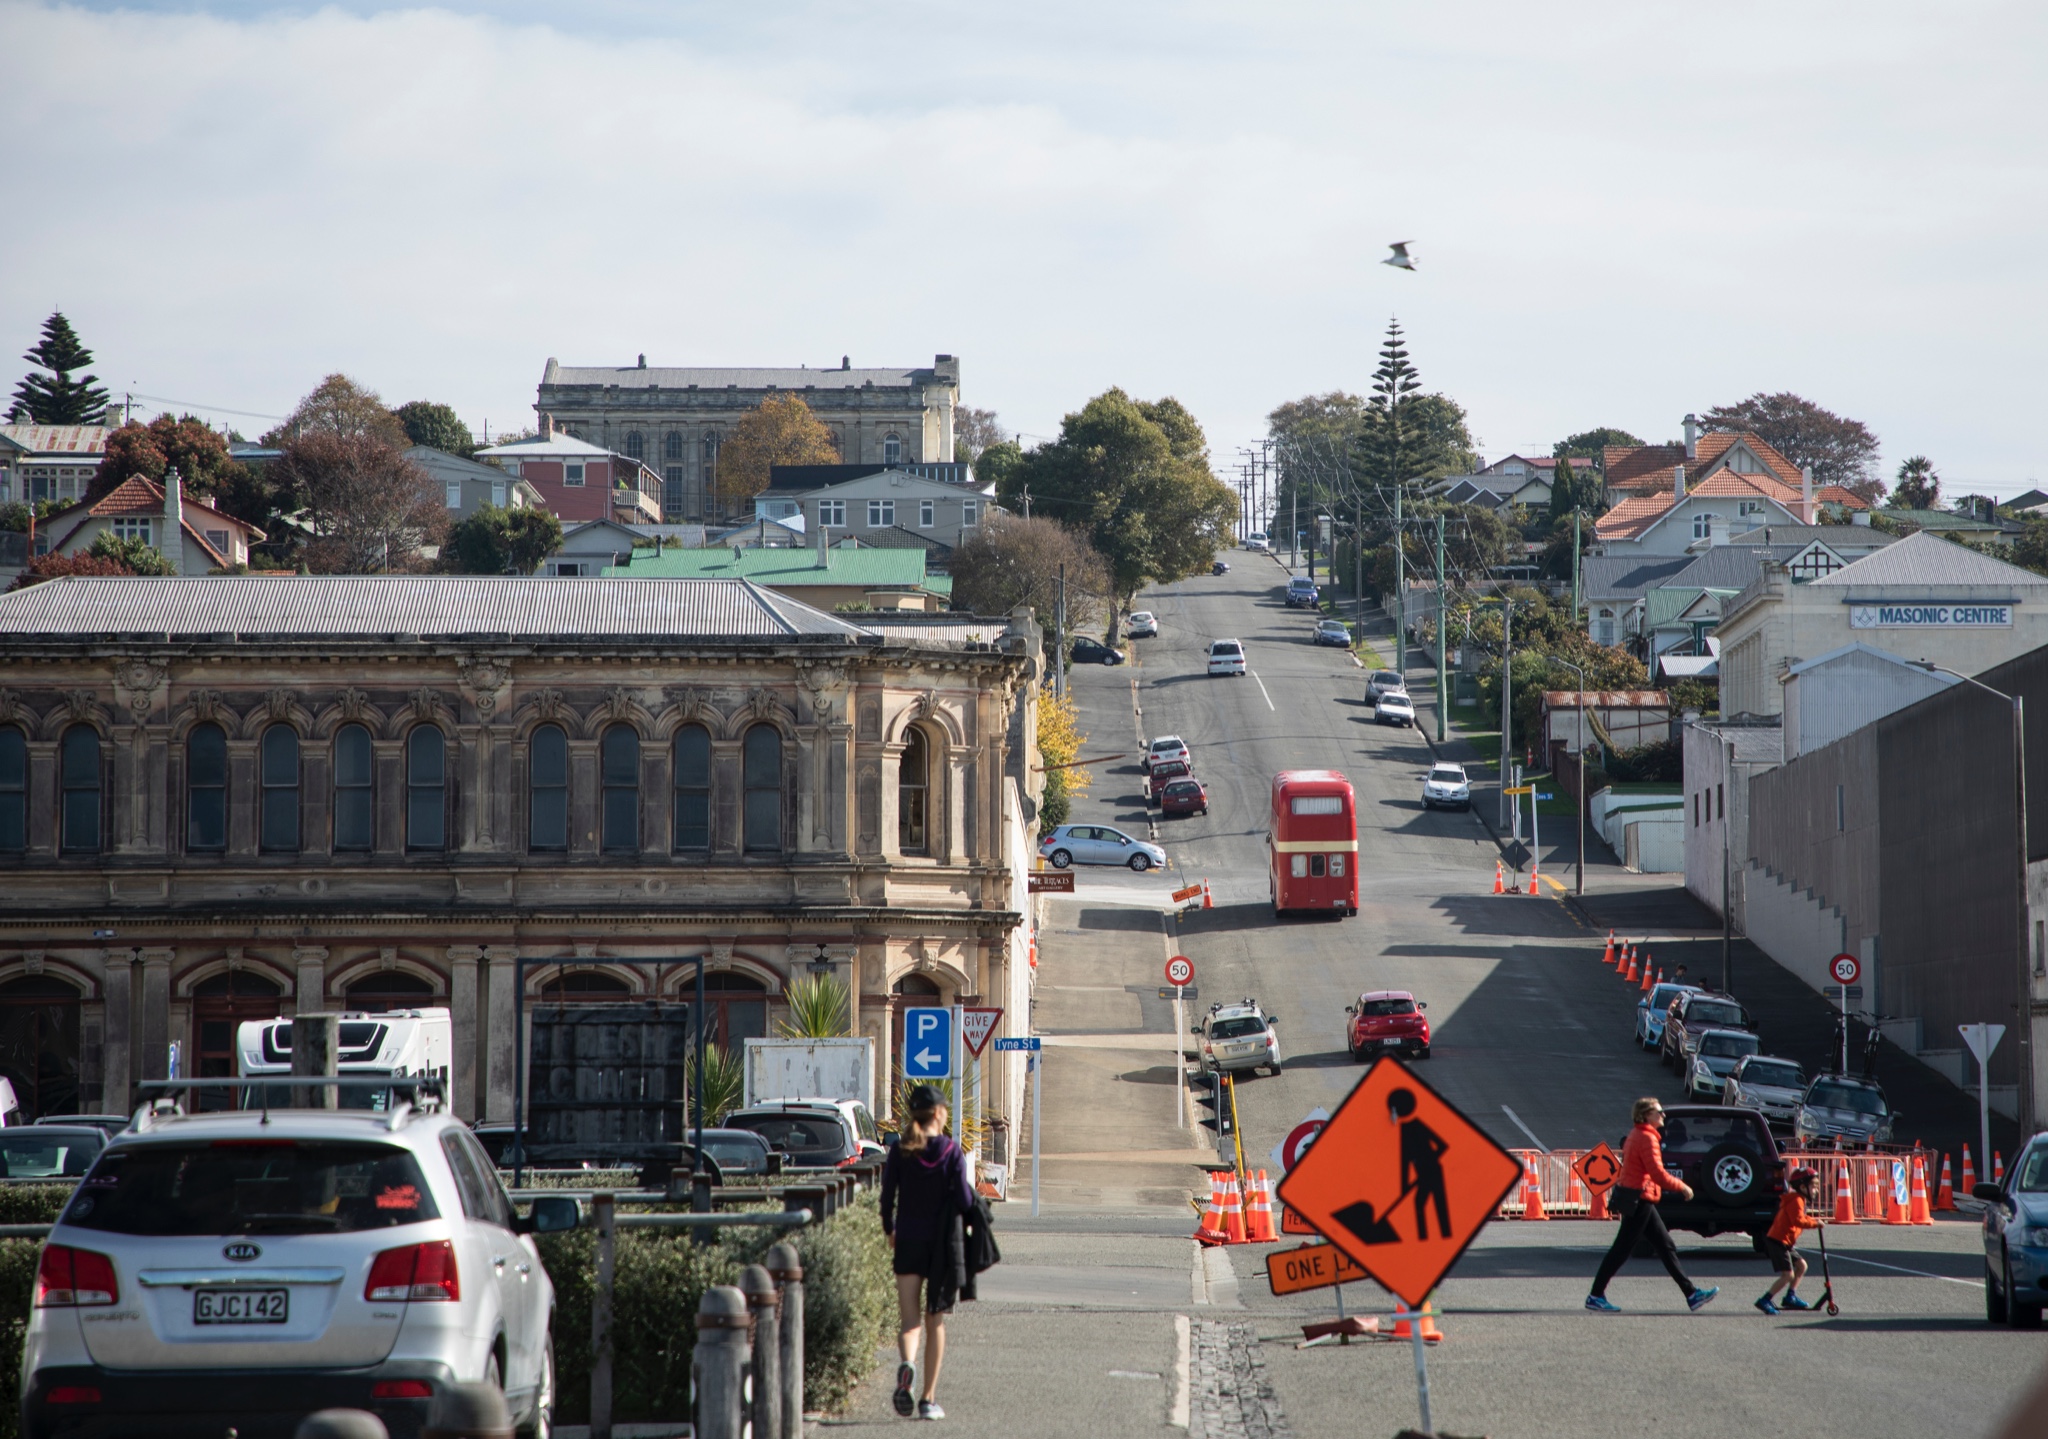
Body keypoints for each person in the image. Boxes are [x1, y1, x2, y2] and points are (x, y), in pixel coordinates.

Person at [880, 1084, 977, 1420]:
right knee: (935, 1320)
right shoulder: (952, 1153)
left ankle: (907, 1364)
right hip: (940, 1249)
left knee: (909, 1322)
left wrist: (889, 1229)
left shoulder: (900, 1150)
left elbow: (886, 1197)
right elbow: (964, 1201)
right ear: (938, 1114)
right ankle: (928, 1400)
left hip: (907, 1240)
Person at [1586, 1097, 1720, 1313]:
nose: (1663, 1115)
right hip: (1640, 1198)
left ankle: (1692, 1294)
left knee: (1665, 1246)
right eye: (1659, 1112)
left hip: (1638, 1196)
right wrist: (1683, 1187)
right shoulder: (1647, 1138)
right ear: (1646, 1115)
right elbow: (1657, 1173)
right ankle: (1595, 1295)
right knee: (1621, 1250)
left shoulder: (1636, 1134)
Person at [1757, 1167, 1823, 1314]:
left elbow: (1801, 1217)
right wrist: (1815, 1224)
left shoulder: (1799, 1200)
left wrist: (1813, 1219)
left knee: (1802, 1266)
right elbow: (1798, 1220)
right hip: (1778, 1240)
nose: (1816, 1190)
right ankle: (1765, 1299)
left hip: (1785, 1241)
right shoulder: (1796, 1200)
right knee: (1788, 1275)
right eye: (1814, 1186)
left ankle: (1790, 1297)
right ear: (1802, 1186)